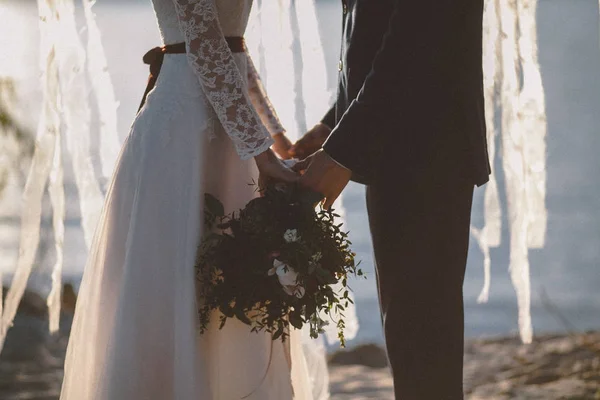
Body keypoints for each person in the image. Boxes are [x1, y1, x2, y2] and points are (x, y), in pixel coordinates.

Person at [59, 1, 315, 399]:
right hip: (182, 138)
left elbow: (235, 52)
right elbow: (207, 45)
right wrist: (261, 153)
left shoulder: (253, 136)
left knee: (237, 283)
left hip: (234, 138)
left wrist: (277, 142)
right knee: (175, 279)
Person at [293, 0, 491, 398]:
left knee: (421, 331)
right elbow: (379, 33)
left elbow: (418, 38)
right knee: (407, 326)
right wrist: (334, 123)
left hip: (427, 144)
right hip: (399, 145)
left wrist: (343, 148)